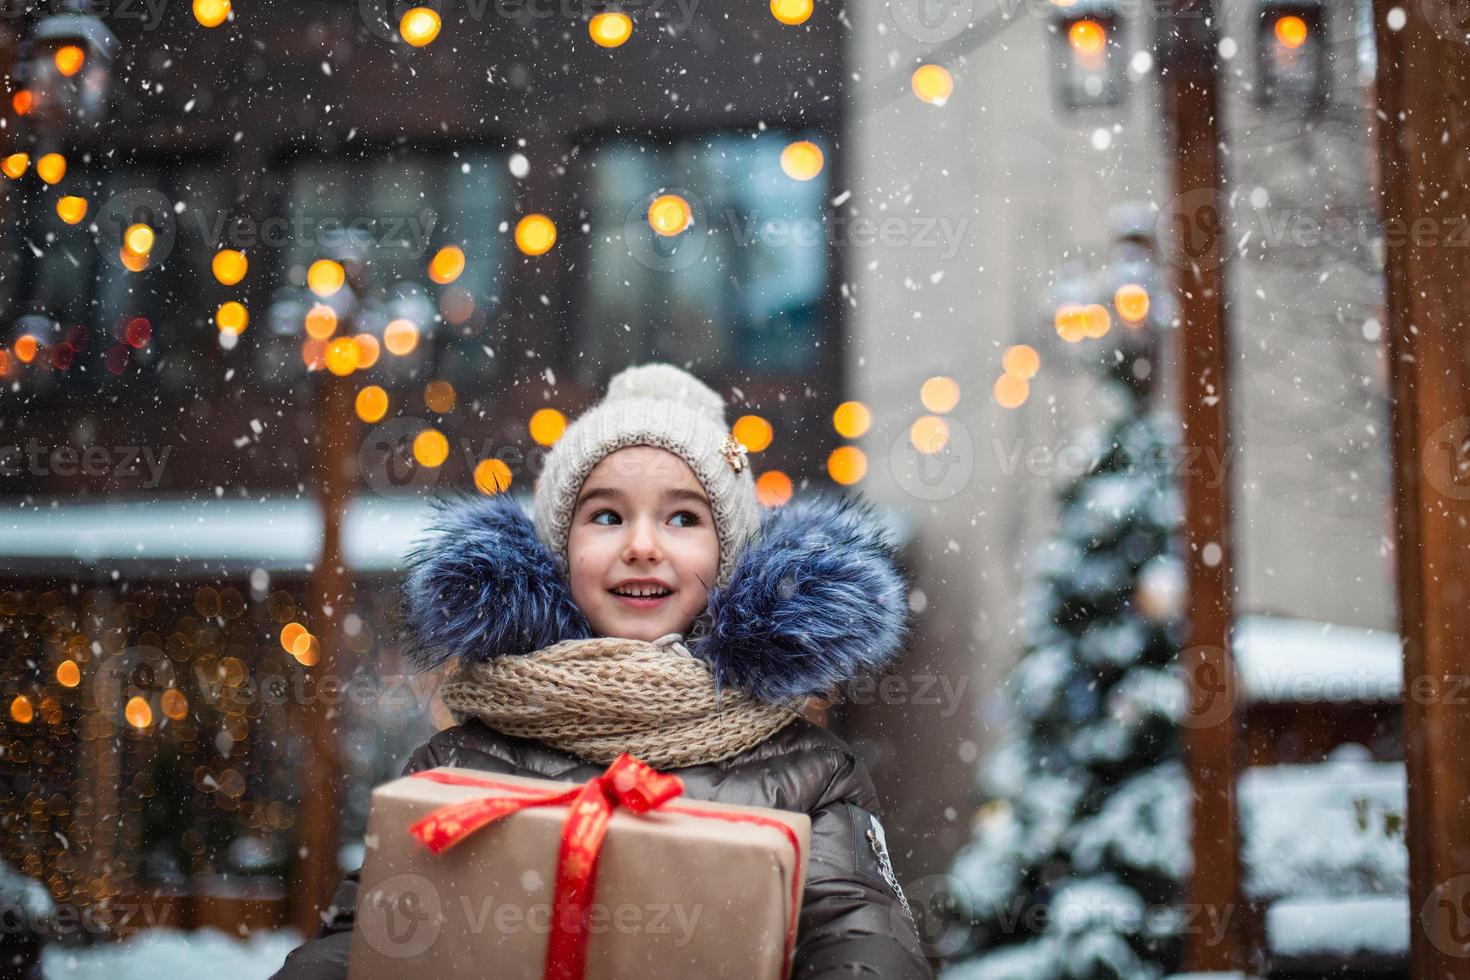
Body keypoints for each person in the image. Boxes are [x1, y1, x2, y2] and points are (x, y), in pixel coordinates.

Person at [274, 363, 933, 979]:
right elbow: (368, 936)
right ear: (561, 554)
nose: (641, 546)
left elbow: (860, 939)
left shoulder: (809, 776)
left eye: (682, 518)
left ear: (730, 558)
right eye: (607, 516)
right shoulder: (466, 757)